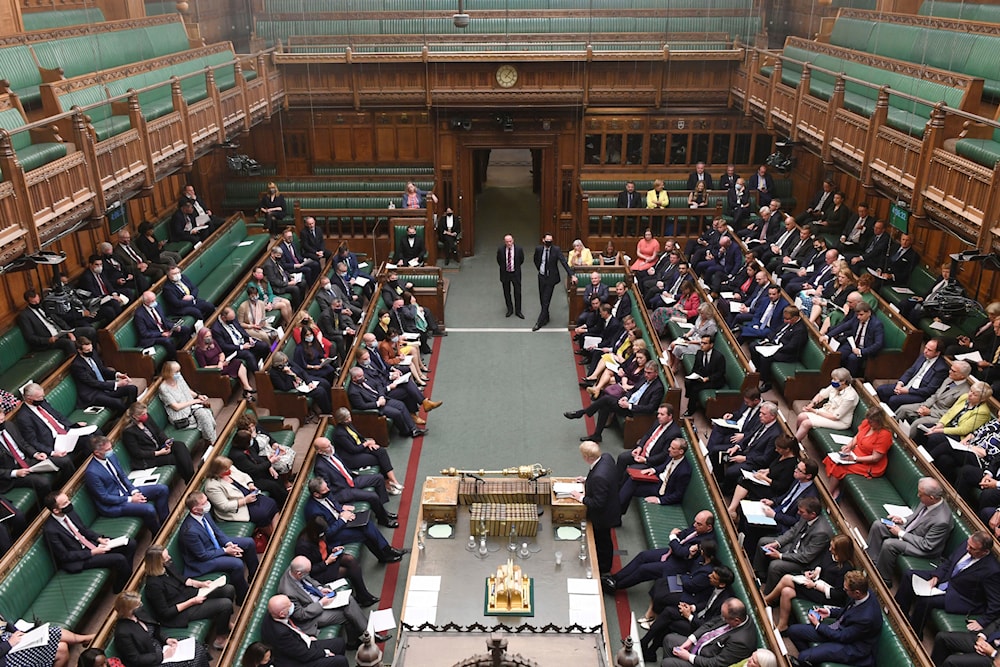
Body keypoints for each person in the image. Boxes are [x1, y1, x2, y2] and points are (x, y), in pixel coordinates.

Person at [895, 530, 1000, 634]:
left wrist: (982, 622)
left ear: (984, 552)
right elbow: (949, 562)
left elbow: (996, 602)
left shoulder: (992, 570)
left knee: (925, 601)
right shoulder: (967, 544)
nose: (967, 549)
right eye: (968, 545)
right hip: (946, 578)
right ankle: (900, 612)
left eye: (972, 549)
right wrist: (937, 576)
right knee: (909, 575)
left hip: (960, 595)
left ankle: (914, 632)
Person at [277, 556, 387, 647]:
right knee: (347, 614)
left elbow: (310, 581)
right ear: (299, 574)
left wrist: (320, 588)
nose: (307, 574)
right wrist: (321, 604)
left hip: (320, 600)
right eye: (306, 573)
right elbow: (301, 615)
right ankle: (367, 635)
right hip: (311, 618)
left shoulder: (294, 570)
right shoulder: (287, 591)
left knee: (349, 600)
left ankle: (360, 638)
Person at [143, 544, 235, 651]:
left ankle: (224, 621)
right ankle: (220, 639)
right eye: (166, 558)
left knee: (228, 589)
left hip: (187, 594)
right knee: (225, 605)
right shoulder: (153, 585)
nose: (170, 558)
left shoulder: (167, 565)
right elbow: (165, 613)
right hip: (180, 612)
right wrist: (192, 602)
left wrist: (201, 583)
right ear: (157, 563)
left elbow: (182, 579)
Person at [42, 491, 136, 593]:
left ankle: (127, 577)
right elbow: (65, 556)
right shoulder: (50, 530)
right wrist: (93, 552)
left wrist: (98, 538)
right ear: (56, 510)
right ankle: (121, 587)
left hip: (91, 544)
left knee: (130, 543)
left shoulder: (69, 512)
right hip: (80, 558)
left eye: (68, 500)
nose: (69, 503)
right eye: (65, 504)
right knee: (120, 559)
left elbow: (83, 529)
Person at [866, 477, 954, 583]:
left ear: (931, 497)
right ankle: (871, 562)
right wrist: (903, 520)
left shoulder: (942, 520)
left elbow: (927, 545)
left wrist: (900, 533)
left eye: (920, 494)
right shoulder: (927, 500)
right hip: (911, 531)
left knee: (889, 544)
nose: (918, 495)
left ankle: (883, 579)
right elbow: (918, 517)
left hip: (924, 549)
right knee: (878, 525)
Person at [786, 570, 882, 667]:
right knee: (792, 631)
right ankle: (812, 660)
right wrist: (829, 612)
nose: (844, 591)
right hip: (839, 629)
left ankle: (809, 660)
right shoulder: (864, 593)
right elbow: (849, 610)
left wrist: (818, 625)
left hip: (850, 646)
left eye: (846, 590)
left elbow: (842, 637)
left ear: (857, 592)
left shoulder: (866, 618)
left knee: (803, 657)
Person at [603, 511, 716, 592]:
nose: (695, 525)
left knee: (644, 569)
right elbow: (683, 535)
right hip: (673, 553)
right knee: (643, 556)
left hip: (679, 565)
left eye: (699, 524)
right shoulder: (697, 526)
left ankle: (616, 586)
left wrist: (672, 537)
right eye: (695, 522)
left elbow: (681, 552)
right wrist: (677, 543)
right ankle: (615, 578)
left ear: (709, 527)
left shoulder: (705, 542)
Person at [762, 534, 855, 632]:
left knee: (787, 579)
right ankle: (782, 625)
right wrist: (813, 573)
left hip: (826, 597)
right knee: (786, 591)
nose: (830, 549)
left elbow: (839, 594)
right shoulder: (831, 554)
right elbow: (821, 565)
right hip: (815, 584)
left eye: (833, 548)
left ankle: (766, 601)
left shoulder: (846, 568)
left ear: (841, 551)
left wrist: (815, 585)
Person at [303, 477, 408, 564]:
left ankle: (386, 551)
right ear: (316, 494)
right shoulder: (313, 512)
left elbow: (334, 504)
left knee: (367, 524)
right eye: (325, 490)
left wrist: (342, 511)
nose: (328, 490)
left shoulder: (326, 492)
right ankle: (386, 553)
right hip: (334, 534)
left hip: (341, 521)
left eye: (327, 487)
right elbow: (327, 534)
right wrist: (343, 519)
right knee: (364, 534)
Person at [179, 491, 258, 603]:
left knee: (249, 543)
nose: (208, 504)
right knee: (237, 564)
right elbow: (202, 556)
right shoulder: (189, 532)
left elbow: (217, 532)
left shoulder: (204, 514)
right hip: (201, 562)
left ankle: (255, 577)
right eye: (204, 503)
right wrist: (226, 551)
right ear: (195, 510)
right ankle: (243, 597)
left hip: (214, 546)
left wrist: (228, 544)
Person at [85, 435, 169, 534]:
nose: (111, 451)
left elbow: (122, 476)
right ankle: (157, 534)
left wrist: (134, 491)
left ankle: (165, 525)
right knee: (149, 509)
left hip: (125, 492)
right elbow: (104, 497)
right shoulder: (92, 473)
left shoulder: (111, 456)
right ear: (97, 453)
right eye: (107, 449)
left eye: (111, 447)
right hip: (112, 504)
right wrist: (130, 499)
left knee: (162, 489)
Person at [564, 361, 665, 443]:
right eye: (645, 372)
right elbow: (633, 390)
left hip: (635, 411)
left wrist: (629, 405)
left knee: (606, 399)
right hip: (627, 403)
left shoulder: (658, 388)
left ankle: (581, 413)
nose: (646, 374)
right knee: (605, 406)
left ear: (656, 373)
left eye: (649, 373)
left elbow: (650, 408)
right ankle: (597, 435)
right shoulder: (644, 378)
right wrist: (625, 397)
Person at [753, 496, 833, 594]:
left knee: (775, 566)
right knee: (764, 542)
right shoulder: (805, 517)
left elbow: (806, 557)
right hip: (795, 547)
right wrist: (777, 543)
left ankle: (768, 595)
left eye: (801, 512)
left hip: (804, 562)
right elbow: (793, 531)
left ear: (812, 514)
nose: (798, 513)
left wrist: (780, 556)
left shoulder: (822, 532)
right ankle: (760, 576)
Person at [312, 437, 398, 528]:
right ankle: (383, 519)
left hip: (350, 480)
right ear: (320, 451)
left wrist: (352, 474)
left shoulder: (331, 452)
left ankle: (382, 510)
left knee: (379, 478)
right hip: (342, 490)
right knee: (372, 496)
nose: (331, 447)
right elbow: (328, 488)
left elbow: (341, 467)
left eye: (330, 444)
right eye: (327, 447)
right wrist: (339, 506)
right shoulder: (320, 467)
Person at [294, 516, 378, 605]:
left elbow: (323, 547)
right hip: (318, 572)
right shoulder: (303, 546)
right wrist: (326, 563)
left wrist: (333, 550)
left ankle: (363, 595)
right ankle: (363, 596)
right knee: (348, 570)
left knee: (350, 560)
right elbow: (309, 571)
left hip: (327, 561)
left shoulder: (317, 535)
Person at [113, 591, 210, 667]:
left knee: (197, 646)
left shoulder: (139, 613)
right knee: (192, 661)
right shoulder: (122, 633)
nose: (141, 605)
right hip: (153, 660)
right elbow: (135, 659)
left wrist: (166, 639)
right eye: (137, 605)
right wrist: (163, 656)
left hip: (161, 647)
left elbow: (155, 629)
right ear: (128, 609)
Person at [569, 440, 621, 575]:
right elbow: (604, 477)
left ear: (587, 457)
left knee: (603, 541)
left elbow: (598, 503)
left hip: (604, 516)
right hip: (612, 502)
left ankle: (603, 568)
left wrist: (580, 498)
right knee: (604, 540)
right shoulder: (606, 458)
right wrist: (587, 480)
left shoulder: (599, 477)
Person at [659, 598, 756, 667]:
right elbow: (708, 625)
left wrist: (689, 657)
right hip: (701, 647)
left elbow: (716, 663)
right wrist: (690, 640)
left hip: (706, 662)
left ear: (736, 621)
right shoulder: (737, 614)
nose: (721, 618)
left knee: (667, 663)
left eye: (724, 618)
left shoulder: (741, 642)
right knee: (669, 640)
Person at [822, 407, 893, 497]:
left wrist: (855, 459)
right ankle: (836, 488)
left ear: (879, 421)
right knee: (830, 459)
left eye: (872, 421)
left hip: (870, 464)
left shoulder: (884, 435)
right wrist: (849, 446)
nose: (869, 423)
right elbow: (858, 436)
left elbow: (875, 458)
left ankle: (829, 495)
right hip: (856, 453)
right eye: (868, 420)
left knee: (838, 467)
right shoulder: (867, 423)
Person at [260, 594, 347, 667]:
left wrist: (306, 637)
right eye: (289, 606)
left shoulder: (273, 612)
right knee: (341, 661)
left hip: (300, 643)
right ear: (282, 614)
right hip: (296, 661)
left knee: (340, 643)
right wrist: (325, 653)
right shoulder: (281, 634)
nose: (292, 605)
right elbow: (303, 654)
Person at [331, 408, 403, 494]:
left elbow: (359, 437)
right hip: (351, 457)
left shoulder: (348, 425)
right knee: (377, 459)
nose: (349, 419)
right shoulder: (339, 433)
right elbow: (353, 449)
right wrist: (367, 443)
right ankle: (387, 484)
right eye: (346, 419)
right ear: (341, 421)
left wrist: (369, 443)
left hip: (360, 447)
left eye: (349, 417)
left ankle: (393, 480)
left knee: (381, 451)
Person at [726, 435, 800, 520]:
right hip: (767, 481)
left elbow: (781, 486)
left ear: (787, 450)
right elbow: (774, 467)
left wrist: (764, 478)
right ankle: (732, 509)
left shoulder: (790, 465)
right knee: (744, 479)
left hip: (773, 491)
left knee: (745, 482)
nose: (776, 450)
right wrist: (767, 471)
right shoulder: (781, 455)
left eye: (778, 449)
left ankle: (732, 509)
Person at [122, 401, 196, 482]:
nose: (146, 416)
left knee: (180, 445)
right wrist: (159, 453)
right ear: (135, 416)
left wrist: (166, 441)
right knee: (176, 458)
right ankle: (190, 480)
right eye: (143, 414)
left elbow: (158, 431)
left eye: (146, 413)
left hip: (159, 447)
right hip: (148, 458)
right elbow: (138, 453)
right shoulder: (128, 432)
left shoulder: (146, 418)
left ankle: (192, 478)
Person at [899, 360, 974, 437]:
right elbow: (935, 396)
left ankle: (905, 443)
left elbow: (952, 413)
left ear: (962, 376)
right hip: (930, 406)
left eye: (953, 371)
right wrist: (925, 406)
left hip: (940, 416)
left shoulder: (965, 392)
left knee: (917, 423)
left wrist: (930, 412)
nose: (949, 372)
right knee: (903, 409)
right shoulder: (948, 379)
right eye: (950, 369)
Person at [913, 382, 994, 453]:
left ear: (982, 399)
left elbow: (963, 430)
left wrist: (939, 430)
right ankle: (914, 451)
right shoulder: (964, 397)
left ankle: (925, 461)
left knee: (934, 438)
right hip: (947, 426)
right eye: (971, 391)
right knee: (922, 427)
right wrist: (940, 424)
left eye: (974, 394)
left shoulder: (983, 412)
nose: (970, 394)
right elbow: (950, 413)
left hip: (958, 435)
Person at [205, 456, 280, 531]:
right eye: (226, 469)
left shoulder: (230, 468)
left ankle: (278, 532)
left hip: (249, 495)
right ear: (218, 471)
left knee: (272, 503)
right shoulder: (212, 486)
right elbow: (224, 506)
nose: (229, 470)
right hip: (238, 508)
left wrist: (250, 485)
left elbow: (244, 476)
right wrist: (245, 501)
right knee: (263, 514)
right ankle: (273, 537)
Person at [345, 366, 423, 438]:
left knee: (401, 405)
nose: (363, 377)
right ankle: (405, 432)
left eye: (362, 375)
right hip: (376, 407)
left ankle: (414, 429)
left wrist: (381, 396)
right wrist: (377, 403)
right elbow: (361, 406)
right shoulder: (353, 392)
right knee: (396, 413)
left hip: (382, 398)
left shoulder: (365, 379)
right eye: (360, 377)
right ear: (354, 378)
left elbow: (378, 385)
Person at [617, 437, 691, 512]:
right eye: (670, 446)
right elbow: (664, 466)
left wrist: (660, 500)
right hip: (656, 479)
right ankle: (618, 510)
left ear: (681, 451)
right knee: (632, 479)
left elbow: (678, 494)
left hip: (662, 489)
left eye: (673, 448)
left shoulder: (684, 471)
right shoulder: (672, 456)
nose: (669, 449)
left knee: (631, 488)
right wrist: (653, 470)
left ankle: (616, 509)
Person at [720, 401, 782, 489]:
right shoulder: (761, 421)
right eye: (760, 412)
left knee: (731, 471)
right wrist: (737, 446)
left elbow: (765, 459)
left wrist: (745, 458)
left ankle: (725, 490)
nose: (760, 415)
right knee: (717, 452)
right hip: (745, 449)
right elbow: (749, 435)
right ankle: (719, 480)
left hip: (754, 461)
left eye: (763, 414)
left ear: (772, 416)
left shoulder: (775, 434)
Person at [18, 289, 97, 357]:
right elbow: (30, 337)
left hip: (61, 333)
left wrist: (69, 332)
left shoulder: (44, 306)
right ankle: (80, 365)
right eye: (34, 302)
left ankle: (94, 356)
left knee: (90, 331)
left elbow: (59, 321)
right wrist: (47, 340)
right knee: (69, 343)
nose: (37, 303)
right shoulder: (25, 316)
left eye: (38, 300)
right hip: (49, 340)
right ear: (28, 301)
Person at [876, 339, 949, 411]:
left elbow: (929, 390)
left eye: (929, 350)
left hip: (919, 394)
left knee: (893, 400)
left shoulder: (941, 369)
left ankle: (889, 416)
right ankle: (883, 410)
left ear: (937, 353)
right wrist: (900, 383)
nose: (925, 351)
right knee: (881, 389)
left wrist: (908, 391)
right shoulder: (923, 356)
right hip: (907, 386)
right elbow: (911, 371)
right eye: (925, 348)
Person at [69, 336, 138, 411]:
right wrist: (117, 384)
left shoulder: (93, 353)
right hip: (93, 393)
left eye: (91, 348)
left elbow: (102, 369)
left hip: (104, 387)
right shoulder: (77, 365)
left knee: (132, 389)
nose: (90, 351)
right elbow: (93, 382)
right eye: (87, 350)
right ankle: (127, 415)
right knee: (117, 402)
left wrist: (118, 374)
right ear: (79, 351)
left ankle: (130, 412)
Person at [615, 404, 681, 477]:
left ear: (670, 416)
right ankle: (617, 483)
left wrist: (646, 460)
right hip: (642, 452)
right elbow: (647, 435)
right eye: (658, 413)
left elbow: (664, 455)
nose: (658, 416)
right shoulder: (658, 422)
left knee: (630, 471)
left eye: (662, 414)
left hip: (651, 461)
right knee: (622, 458)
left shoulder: (674, 433)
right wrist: (640, 447)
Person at [793, 368, 859, 442]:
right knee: (801, 416)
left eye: (835, 379)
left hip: (839, 421)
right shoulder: (835, 386)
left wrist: (814, 411)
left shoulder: (850, 397)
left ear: (843, 381)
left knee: (806, 423)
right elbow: (821, 395)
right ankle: (797, 439)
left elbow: (835, 417)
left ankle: (793, 445)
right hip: (826, 412)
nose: (832, 381)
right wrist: (811, 405)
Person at [158, 361, 216, 444]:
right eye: (176, 372)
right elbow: (176, 407)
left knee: (206, 415)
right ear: (168, 373)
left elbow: (187, 390)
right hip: (180, 415)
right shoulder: (163, 388)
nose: (179, 373)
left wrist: (198, 396)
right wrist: (194, 401)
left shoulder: (179, 378)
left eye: (179, 371)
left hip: (191, 407)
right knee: (204, 418)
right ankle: (211, 443)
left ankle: (211, 441)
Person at [824, 301, 884, 378]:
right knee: (839, 355)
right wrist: (827, 336)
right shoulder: (856, 319)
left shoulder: (877, 324)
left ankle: (849, 379)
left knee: (852, 358)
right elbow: (844, 327)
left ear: (869, 313)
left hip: (865, 349)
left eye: (861, 315)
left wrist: (861, 351)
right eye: (857, 315)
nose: (858, 317)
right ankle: (836, 377)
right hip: (853, 344)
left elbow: (879, 344)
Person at [194, 328, 256, 400]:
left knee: (238, 363)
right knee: (237, 366)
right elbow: (204, 367)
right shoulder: (199, 351)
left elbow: (221, 353)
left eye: (210, 336)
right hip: (215, 370)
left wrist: (221, 362)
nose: (209, 338)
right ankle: (247, 390)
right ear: (201, 338)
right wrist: (218, 366)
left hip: (222, 363)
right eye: (206, 337)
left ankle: (247, 389)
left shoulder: (213, 342)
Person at [532, 232, 577, 331]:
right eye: (547, 241)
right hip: (541, 277)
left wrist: (572, 275)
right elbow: (536, 260)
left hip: (551, 278)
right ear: (543, 240)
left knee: (546, 300)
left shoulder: (556, 250)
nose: (549, 243)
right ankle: (546, 316)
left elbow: (564, 262)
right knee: (542, 299)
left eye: (550, 241)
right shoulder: (539, 249)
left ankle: (539, 322)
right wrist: (540, 269)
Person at [270, 351, 333, 417]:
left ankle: (331, 405)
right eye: (284, 363)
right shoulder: (274, 374)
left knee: (325, 383)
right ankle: (327, 412)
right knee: (320, 391)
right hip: (296, 389)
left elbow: (302, 371)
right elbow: (285, 388)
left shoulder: (288, 363)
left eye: (286, 362)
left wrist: (309, 382)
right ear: (279, 365)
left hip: (303, 381)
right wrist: (289, 374)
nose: (286, 364)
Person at [134, 291, 193, 361]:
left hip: (165, 330)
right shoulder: (139, 314)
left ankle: (182, 352)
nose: (155, 302)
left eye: (154, 299)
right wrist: (161, 334)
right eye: (152, 301)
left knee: (185, 329)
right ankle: (175, 359)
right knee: (168, 341)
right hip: (153, 336)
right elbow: (144, 333)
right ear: (145, 302)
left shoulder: (157, 305)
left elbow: (163, 320)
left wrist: (174, 326)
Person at [212, 306, 270, 372]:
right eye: (231, 320)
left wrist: (249, 337)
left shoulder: (232, 318)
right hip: (234, 349)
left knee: (264, 346)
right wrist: (242, 347)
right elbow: (224, 346)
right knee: (249, 355)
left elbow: (240, 329)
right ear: (223, 318)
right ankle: (258, 375)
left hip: (243, 341)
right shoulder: (216, 329)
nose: (233, 321)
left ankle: (265, 366)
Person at [684, 335, 726, 417]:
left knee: (695, 388)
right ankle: (692, 398)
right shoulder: (699, 353)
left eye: (705, 343)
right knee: (688, 381)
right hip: (702, 377)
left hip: (715, 381)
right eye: (701, 343)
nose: (702, 345)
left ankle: (691, 409)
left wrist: (708, 378)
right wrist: (693, 375)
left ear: (711, 345)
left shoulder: (719, 357)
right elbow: (695, 368)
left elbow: (720, 373)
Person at [497, 234, 524, 318]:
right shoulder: (501, 250)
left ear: (513, 240)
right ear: (504, 242)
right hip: (505, 274)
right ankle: (510, 309)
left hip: (515, 273)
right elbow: (499, 260)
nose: (509, 243)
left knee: (518, 292)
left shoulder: (519, 249)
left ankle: (518, 311)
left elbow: (521, 260)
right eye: (507, 242)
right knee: (506, 292)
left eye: (510, 241)